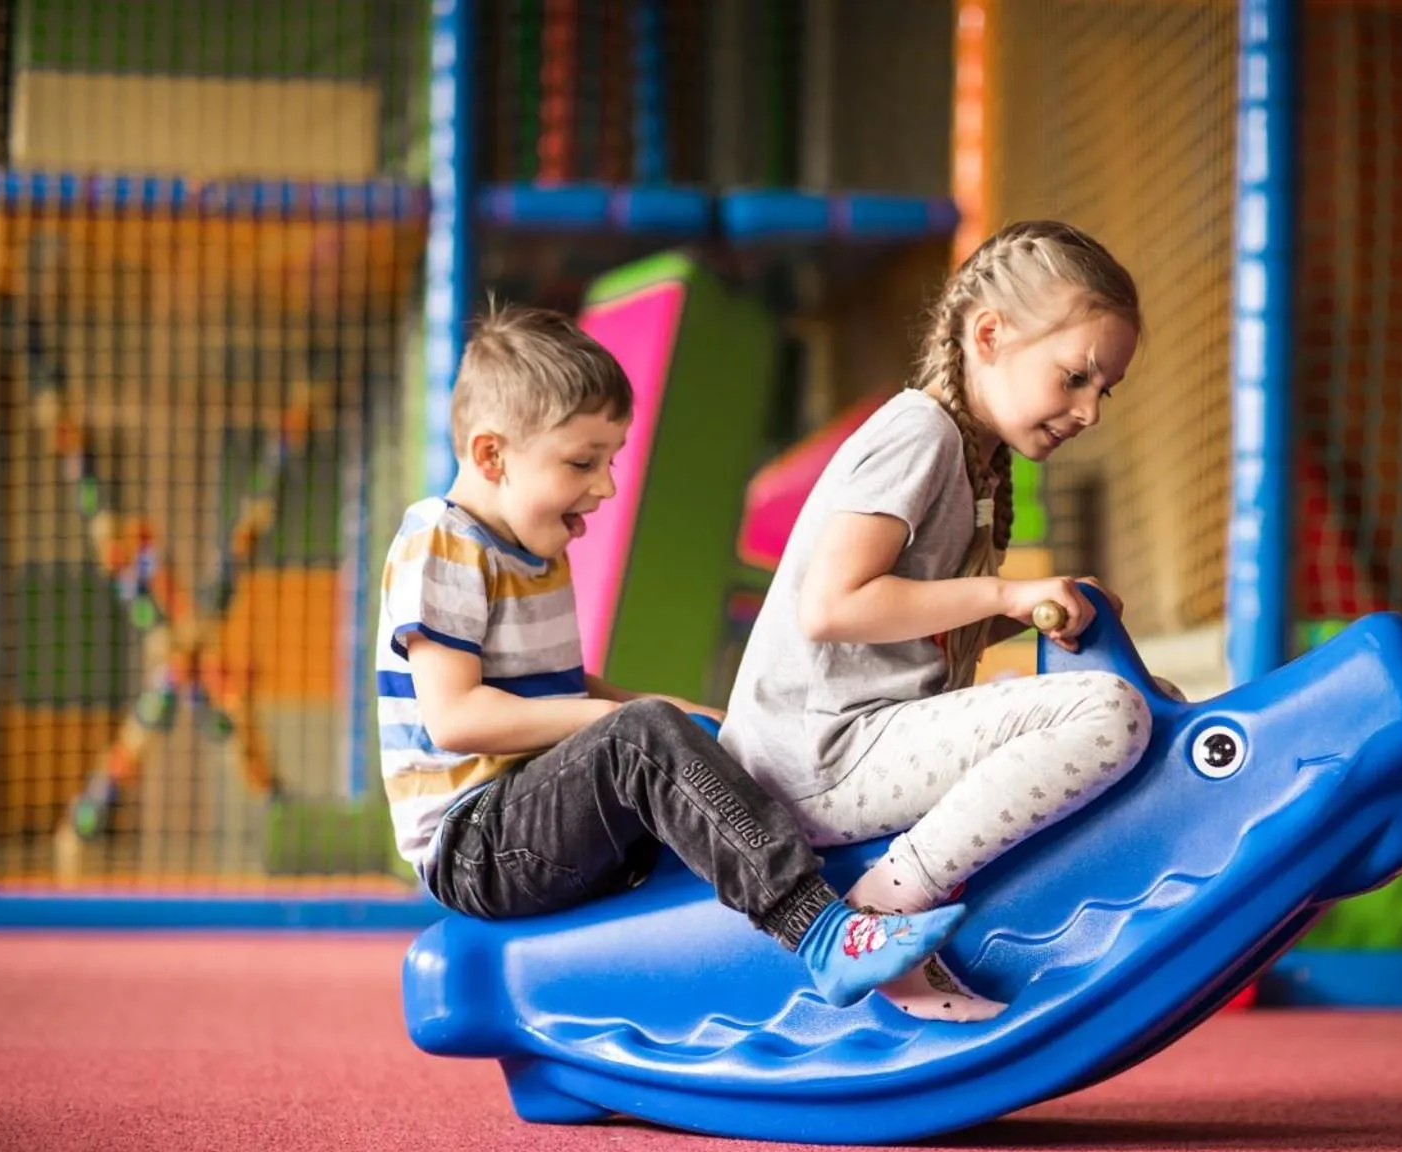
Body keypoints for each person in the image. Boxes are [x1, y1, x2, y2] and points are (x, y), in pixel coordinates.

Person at [375, 303, 963, 1010]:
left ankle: (867, 883)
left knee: (697, 736)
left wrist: (682, 716)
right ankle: (823, 933)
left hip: (533, 810)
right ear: (492, 456)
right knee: (643, 736)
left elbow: (558, 690)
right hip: (475, 844)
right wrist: (630, 721)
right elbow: (457, 718)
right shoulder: (443, 541)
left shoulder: (535, 549)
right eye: (582, 462)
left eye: (611, 459)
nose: (606, 485)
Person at [721, 221, 1155, 1022]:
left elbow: (911, 627)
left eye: (1106, 390)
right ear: (989, 336)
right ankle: (883, 910)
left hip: (859, 739)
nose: (1090, 411)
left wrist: (1041, 607)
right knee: (1109, 712)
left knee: (1141, 702)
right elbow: (834, 607)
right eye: (1075, 377)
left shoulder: (977, 458)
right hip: (819, 754)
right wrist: (1005, 596)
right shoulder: (919, 433)